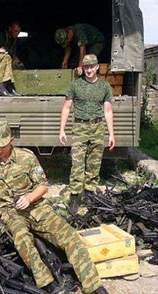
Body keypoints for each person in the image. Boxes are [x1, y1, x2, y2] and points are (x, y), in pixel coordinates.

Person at [0, 120, 118, 294]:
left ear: (11, 140)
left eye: (2, 145)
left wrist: (29, 197)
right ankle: (49, 285)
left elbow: (43, 185)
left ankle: (94, 287)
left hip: (37, 207)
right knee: (22, 240)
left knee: (70, 237)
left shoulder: (26, 157)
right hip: (10, 212)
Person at [59, 54, 115, 213]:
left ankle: (90, 194)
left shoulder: (105, 86)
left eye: (92, 67)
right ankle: (75, 196)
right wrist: (62, 130)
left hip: (98, 128)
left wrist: (111, 134)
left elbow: (108, 111)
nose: (89, 70)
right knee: (77, 164)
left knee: (94, 163)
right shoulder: (75, 85)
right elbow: (66, 108)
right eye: (86, 67)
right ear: (82, 68)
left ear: (97, 67)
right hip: (80, 128)